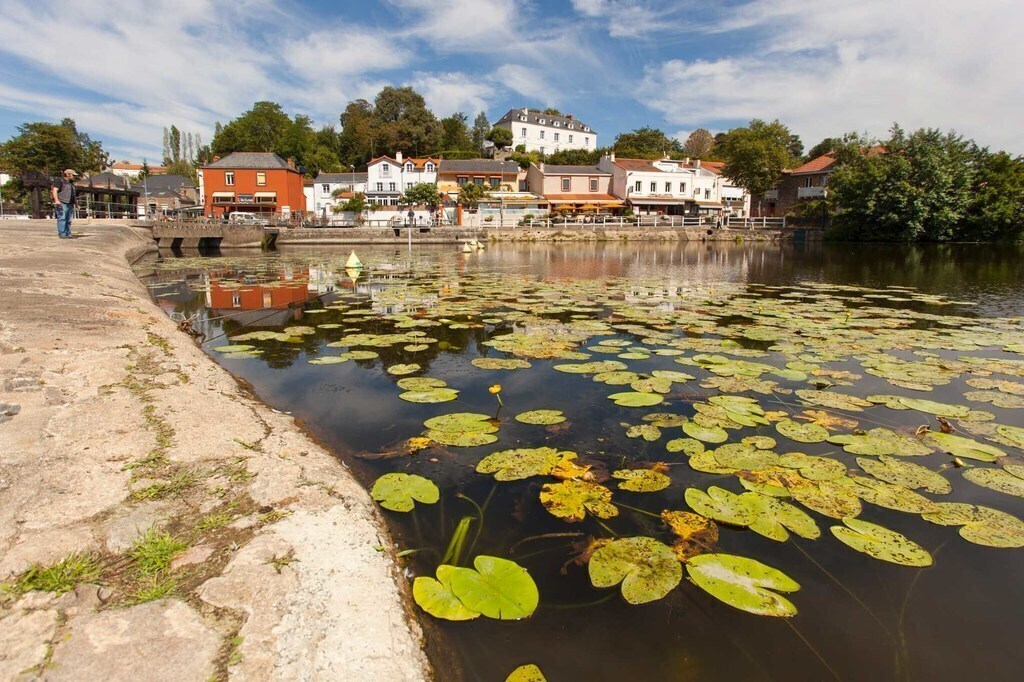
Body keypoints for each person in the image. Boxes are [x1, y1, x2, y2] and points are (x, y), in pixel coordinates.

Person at [51, 169, 77, 238]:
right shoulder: (59, 181)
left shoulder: (71, 183)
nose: (74, 176)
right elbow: (54, 190)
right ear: (68, 174)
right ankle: (62, 233)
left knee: (69, 219)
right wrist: (56, 200)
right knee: (62, 218)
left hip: (70, 203)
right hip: (62, 202)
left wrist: (77, 204)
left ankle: (68, 233)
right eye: (73, 175)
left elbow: (73, 194)